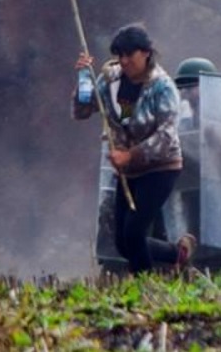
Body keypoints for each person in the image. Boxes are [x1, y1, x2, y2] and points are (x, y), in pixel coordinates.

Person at [74, 23, 194, 276]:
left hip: (160, 168)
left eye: (130, 54)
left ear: (146, 53)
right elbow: (83, 111)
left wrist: (130, 154)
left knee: (134, 232)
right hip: (128, 172)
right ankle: (177, 254)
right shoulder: (110, 79)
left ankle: (145, 284)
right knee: (121, 241)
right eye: (120, 55)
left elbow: (166, 135)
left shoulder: (163, 87)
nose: (124, 61)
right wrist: (84, 79)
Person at [172, 57, 221, 274]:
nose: (186, 93)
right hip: (192, 191)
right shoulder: (184, 120)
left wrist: (215, 138)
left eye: (192, 86)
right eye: (184, 88)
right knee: (198, 245)